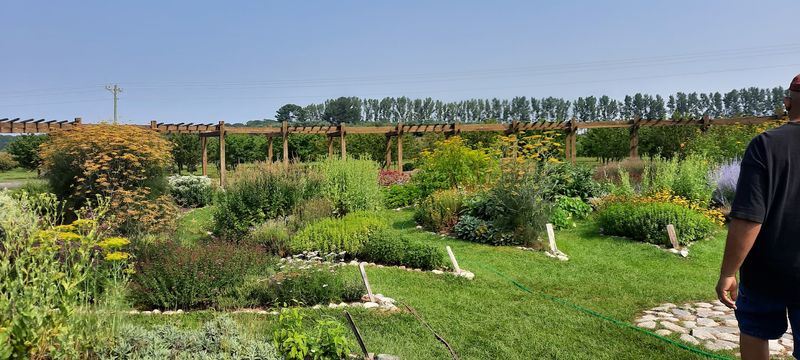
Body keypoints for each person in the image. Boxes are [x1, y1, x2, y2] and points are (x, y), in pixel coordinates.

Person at [717, 74, 800, 360]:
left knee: (755, 332)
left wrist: (728, 272)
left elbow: (749, 218)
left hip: (766, 271)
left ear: (787, 103)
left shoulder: (766, 144)